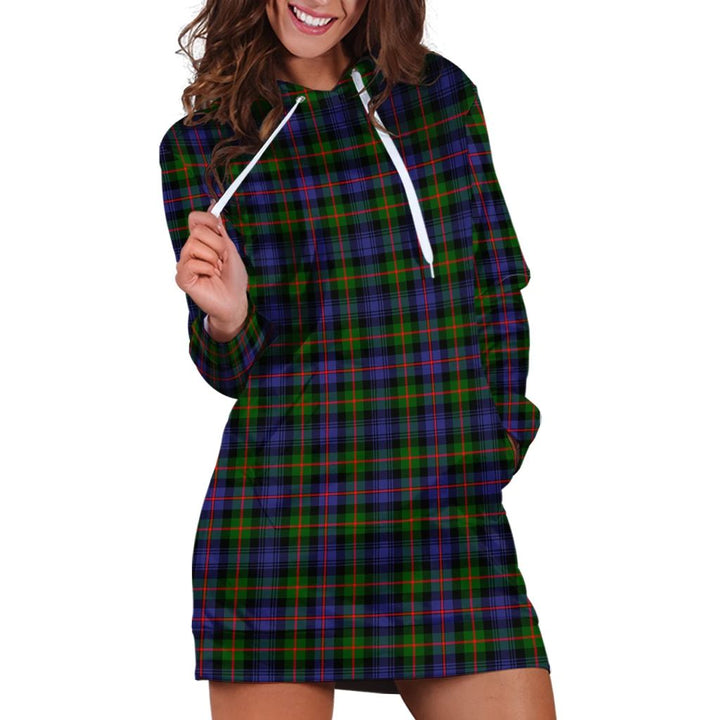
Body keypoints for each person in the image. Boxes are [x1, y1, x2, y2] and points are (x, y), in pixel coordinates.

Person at [159, 1, 557, 718]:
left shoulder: (438, 98)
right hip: (285, 527)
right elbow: (231, 369)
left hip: (443, 517)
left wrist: (494, 443)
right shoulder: (204, 143)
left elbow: (496, 281)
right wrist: (229, 317)